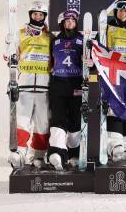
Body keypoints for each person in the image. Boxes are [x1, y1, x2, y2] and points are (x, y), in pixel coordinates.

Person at [9, 1, 53, 168]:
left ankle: (39, 155)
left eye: (41, 15)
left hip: (45, 87)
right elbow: (9, 57)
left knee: (43, 123)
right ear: (30, 15)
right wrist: (8, 48)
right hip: (25, 86)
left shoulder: (50, 37)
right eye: (35, 14)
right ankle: (19, 151)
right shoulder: (19, 34)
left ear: (44, 17)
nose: (37, 17)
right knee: (22, 121)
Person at [47, 9, 84, 170]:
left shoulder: (83, 39)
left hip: (76, 84)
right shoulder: (54, 40)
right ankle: (57, 153)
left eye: (73, 21)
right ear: (62, 23)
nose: (70, 23)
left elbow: (93, 63)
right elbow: (48, 62)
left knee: (75, 121)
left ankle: (74, 153)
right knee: (58, 118)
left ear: (76, 23)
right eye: (67, 20)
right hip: (58, 83)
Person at [105, 0, 126, 161]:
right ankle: (115, 146)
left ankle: (124, 147)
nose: (123, 13)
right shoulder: (108, 28)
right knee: (115, 109)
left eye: (125, 11)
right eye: (120, 11)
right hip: (114, 75)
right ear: (116, 12)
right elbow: (101, 49)